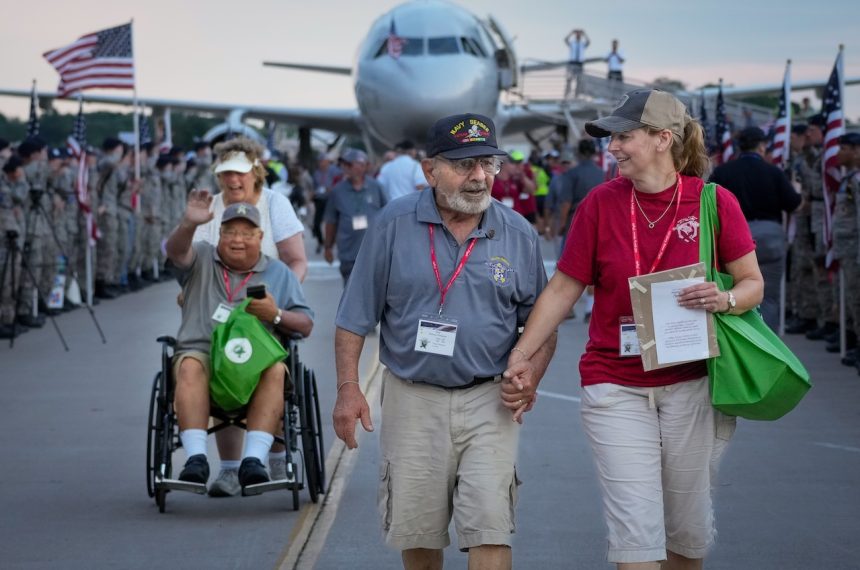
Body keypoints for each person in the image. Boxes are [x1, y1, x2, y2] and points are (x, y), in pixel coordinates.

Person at [504, 90, 763, 569]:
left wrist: (724, 299)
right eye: (612, 138)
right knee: (635, 534)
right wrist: (522, 353)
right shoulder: (600, 204)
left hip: (693, 384)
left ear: (664, 139)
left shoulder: (713, 201)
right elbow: (564, 288)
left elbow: (753, 284)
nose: (613, 147)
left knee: (686, 532)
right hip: (613, 384)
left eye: (624, 136)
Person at [332, 113, 556, 570]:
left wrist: (530, 373)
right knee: (420, 534)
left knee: (490, 529)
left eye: (487, 164)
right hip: (413, 401)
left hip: (489, 401)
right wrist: (348, 388)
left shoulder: (517, 233)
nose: (478, 177)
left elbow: (541, 324)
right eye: (464, 165)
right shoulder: (393, 224)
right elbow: (354, 316)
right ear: (430, 170)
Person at [165, 198, 313, 488]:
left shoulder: (279, 273)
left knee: (276, 370)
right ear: (219, 235)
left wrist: (277, 315)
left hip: (254, 366)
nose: (238, 240)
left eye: (247, 234)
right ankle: (196, 459)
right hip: (204, 355)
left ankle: (253, 461)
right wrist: (189, 223)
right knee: (190, 363)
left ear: (260, 237)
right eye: (230, 232)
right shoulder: (201, 259)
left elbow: (306, 324)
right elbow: (175, 252)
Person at [189, 137, 308, 496]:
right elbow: (192, 263)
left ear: (255, 172)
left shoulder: (275, 204)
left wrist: (284, 295)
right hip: (219, 310)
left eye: (239, 174)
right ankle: (228, 468)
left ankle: (273, 451)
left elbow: (296, 259)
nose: (233, 181)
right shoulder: (210, 209)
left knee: (266, 364)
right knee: (221, 366)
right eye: (226, 174)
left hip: (264, 302)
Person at [709, 126, 801, 330]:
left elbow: (708, 204)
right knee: (768, 296)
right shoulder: (773, 172)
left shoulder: (723, 171)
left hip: (731, 239)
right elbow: (793, 203)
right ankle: (768, 345)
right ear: (762, 146)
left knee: (734, 293)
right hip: (770, 237)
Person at [323, 148, 386, 284]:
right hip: (349, 254)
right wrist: (328, 247)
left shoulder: (376, 187)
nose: (346, 168)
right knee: (351, 295)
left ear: (363, 166)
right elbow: (331, 222)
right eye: (344, 165)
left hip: (375, 252)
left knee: (375, 295)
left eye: (350, 164)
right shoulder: (337, 191)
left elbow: (388, 215)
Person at [831, 133, 860, 366]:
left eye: (844, 149)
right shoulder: (849, 178)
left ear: (856, 151)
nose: (838, 153)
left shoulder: (857, 180)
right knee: (851, 299)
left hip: (854, 249)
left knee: (857, 299)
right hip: (847, 249)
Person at [491, 150, 537, 225]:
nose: (516, 166)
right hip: (499, 218)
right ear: (504, 165)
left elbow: (532, 190)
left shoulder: (516, 179)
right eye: (513, 163)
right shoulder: (493, 179)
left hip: (516, 218)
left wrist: (523, 176)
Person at [564, 28, 590, 98]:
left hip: (580, 64)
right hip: (572, 63)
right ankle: (566, 96)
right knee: (569, 80)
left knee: (579, 81)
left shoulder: (582, 44)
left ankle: (576, 96)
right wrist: (571, 33)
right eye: (577, 34)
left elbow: (588, 42)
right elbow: (565, 40)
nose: (578, 35)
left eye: (579, 34)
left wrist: (584, 34)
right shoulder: (572, 43)